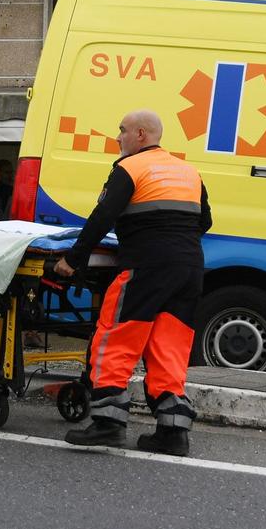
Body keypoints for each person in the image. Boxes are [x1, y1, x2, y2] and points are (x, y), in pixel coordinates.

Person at [55, 109, 211, 457]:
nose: (118, 138)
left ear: (141, 134)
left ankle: (108, 424)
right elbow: (206, 220)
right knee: (169, 346)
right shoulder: (188, 170)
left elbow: (102, 217)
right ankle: (173, 432)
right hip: (188, 267)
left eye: (122, 131)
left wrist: (72, 259)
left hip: (146, 267)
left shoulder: (129, 169)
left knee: (116, 337)